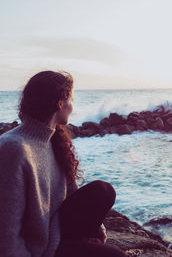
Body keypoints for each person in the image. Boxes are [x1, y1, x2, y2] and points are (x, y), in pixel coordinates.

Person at [0, 71, 126, 257]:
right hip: (38, 247)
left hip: (54, 228)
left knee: (103, 191)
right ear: (60, 103)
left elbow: (71, 191)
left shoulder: (53, 139)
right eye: (71, 100)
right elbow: (6, 230)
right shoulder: (13, 148)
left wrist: (96, 228)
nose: (72, 107)